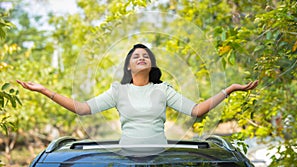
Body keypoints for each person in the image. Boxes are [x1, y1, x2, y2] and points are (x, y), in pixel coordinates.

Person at [17, 43, 259, 146]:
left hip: (159, 159)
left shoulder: (163, 89)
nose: (142, 57)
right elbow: (82, 108)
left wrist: (230, 90)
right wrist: (45, 90)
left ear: (151, 65)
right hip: (126, 160)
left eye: (146, 56)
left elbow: (196, 110)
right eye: (136, 56)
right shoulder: (118, 91)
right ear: (129, 66)